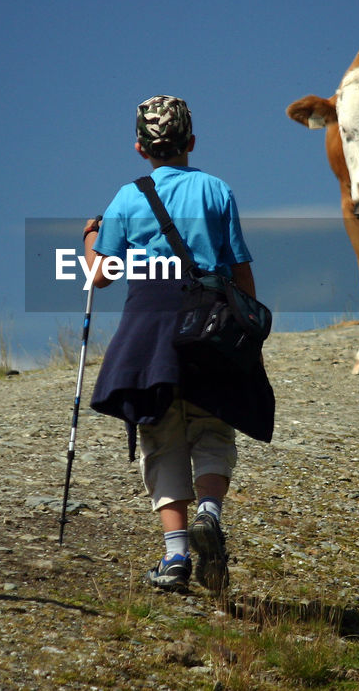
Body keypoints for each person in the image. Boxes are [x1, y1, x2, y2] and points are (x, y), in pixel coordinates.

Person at [83, 95, 274, 592]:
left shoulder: (126, 198)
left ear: (140, 148)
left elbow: (99, 276)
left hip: (150, 328)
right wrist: (246, 332)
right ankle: (209, 513)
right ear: (191, 142)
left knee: (160, 436)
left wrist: (90, 235)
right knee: (213, 429)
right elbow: (238, 269)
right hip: (210, 323)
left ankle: (175, 558)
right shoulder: (216, 190)